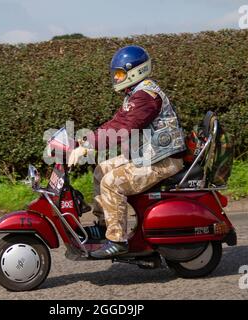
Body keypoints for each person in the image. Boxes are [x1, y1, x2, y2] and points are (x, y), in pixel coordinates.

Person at [68, 45, 185, 258]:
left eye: (120, 73)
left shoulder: (145, 96)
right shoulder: (136, 93)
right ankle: (105, 226)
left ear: (135, 70)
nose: (117, 78)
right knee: (101, 170)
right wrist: (85, 141)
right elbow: (117, 121)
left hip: (163, 160)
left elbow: (124, 128)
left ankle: (117, 240)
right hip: (148, 154)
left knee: (112, 182)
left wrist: (89, 146)